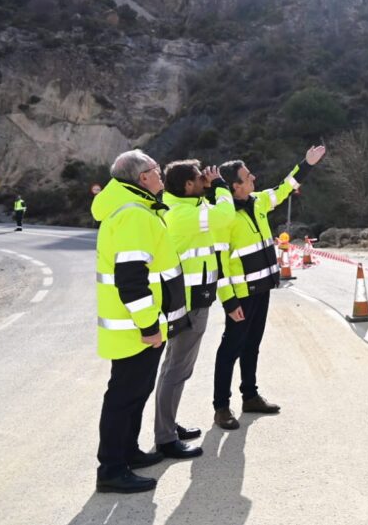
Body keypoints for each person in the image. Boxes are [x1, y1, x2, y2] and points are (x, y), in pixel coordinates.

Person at [91, 150, 186, 494]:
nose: (161, 175)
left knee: (134, 393)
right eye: (156, 170)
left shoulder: (139, 208)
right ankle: (112, 469)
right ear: (141, 178)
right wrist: (149, 326)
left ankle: (127, 453)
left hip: (136, 327)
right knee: (123, 397)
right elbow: (131, 279)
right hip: (135, 329)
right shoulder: (134, 215)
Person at [212, 146, 326, 430]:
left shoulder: (259, 201)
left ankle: (250, 396)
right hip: (240, 296)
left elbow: (286, 187)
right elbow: (220, 265)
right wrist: (229, 302)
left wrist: (306, 164)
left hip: (262, 289)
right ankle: (221, 407)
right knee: (230, 349)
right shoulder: (223, 217)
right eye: (248, 177)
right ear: (235, 185)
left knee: (252, 345)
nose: (254, 179)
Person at [153, 160, 236, 460]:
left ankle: (168, 426)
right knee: (177, 369)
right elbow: (226, 216)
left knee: (173, 367)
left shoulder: (181, 205)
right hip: (189, 302)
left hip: (187, 298)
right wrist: (222, 185)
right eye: (200, 177)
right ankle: (165, 437)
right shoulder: (188, 213)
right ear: (188, 186)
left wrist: (210, 188)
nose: (206, 179)